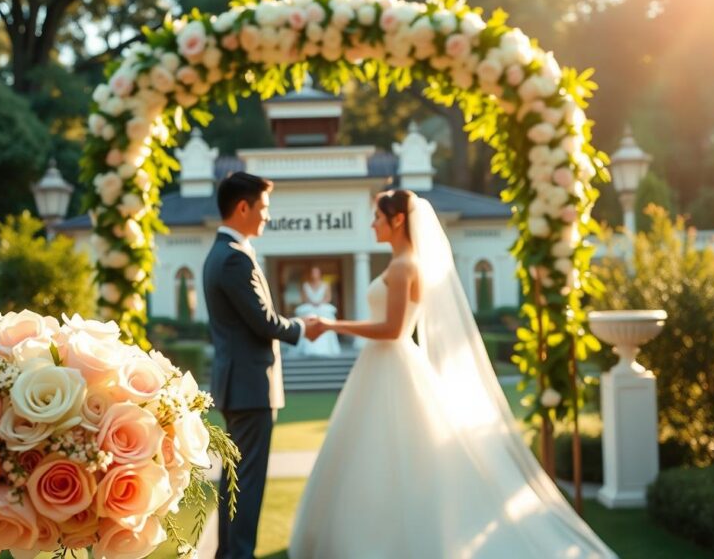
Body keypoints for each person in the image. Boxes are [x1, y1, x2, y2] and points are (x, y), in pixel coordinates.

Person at [290, 190, 616, 559]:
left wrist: (334, 326)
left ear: (397, 220)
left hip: (392, 363)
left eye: (377, 217)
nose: (371, 224)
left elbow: (394, 329)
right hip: (378, 366)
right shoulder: (397, 263)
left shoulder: (403, 267)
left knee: (399, 453)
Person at [202, 172, 306, 559]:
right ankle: (237, 554)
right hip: (249, 388)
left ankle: (228, 554)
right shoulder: (233, 259)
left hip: (239, 386)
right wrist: (301, 327)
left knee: (235, 483)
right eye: (262, 208)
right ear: (242, 207)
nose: (266, 216)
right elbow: (263, 321)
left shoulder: (224, 253)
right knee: (246, 484)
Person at [293, 266, 341, 357]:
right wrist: (312, 303)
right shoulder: (306, 285)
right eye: (313, 272)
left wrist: (320, 303)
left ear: (319, 274)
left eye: (316, 272)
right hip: (310, 307)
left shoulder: (326, 284)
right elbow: (304, 298)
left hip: (322, 307)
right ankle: (309, 348)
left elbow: (328, 297)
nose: (314, 275)